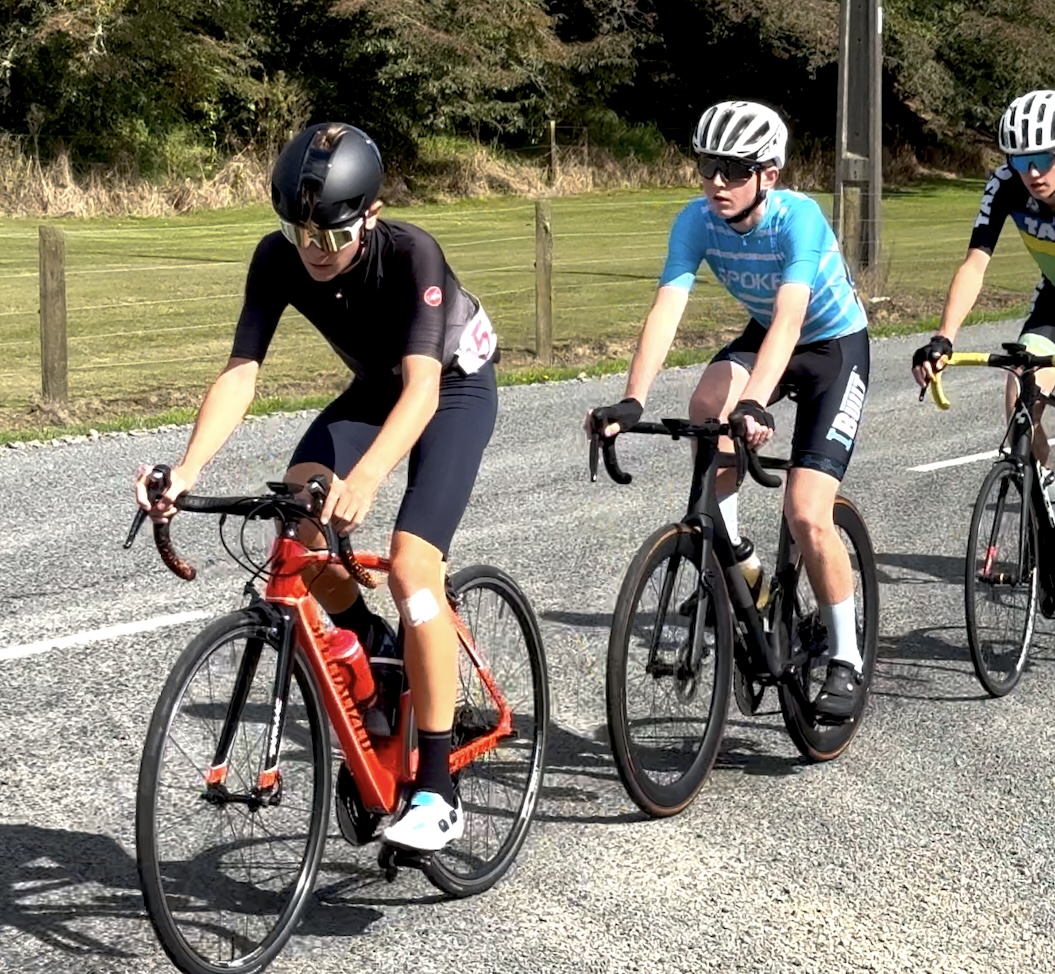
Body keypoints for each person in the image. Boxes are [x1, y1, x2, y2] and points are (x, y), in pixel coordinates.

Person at [133, 122, 500, 852]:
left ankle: (436, 786)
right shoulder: (279, 258)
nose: (312, 251)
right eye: (298, 233)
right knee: (296, 522)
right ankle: (378, 650)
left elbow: (423, 391)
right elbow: (243, 370)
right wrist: (187, 470)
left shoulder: (412, 254)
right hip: (374, 390)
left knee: (412, 563)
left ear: (369, 215)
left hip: (452, 390)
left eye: (330, 238)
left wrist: (367, 478)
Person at [588, 101, 876, 722]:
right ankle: (736, 554)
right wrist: (634, 398)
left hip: (832, 347)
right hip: (766, 330)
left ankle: (847, 656)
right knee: (703, 404)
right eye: (707, 166)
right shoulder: (696, 220)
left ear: (767, 174)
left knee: (806, 511)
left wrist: (755, 402)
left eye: (733, 170)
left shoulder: (798, 218)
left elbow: (794, 317)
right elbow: (667, 307)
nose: (716, 182)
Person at [911, 89, 1055, 597]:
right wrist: (943, 337)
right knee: (1019, 396)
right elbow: (975, 263)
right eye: (1020, 161)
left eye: (1041, 158)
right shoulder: (1004, 186)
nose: (1031, 173)